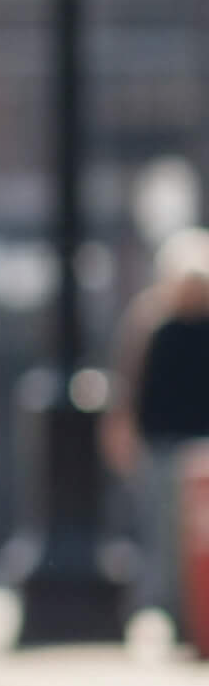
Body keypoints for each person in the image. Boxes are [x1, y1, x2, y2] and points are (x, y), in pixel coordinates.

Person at [103, 226, 209, 637]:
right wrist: (122, 430)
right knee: (162, 533)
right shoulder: (152, 324)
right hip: (163, 444)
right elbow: (129, 381)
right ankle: (171, 611)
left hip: (201, 448)